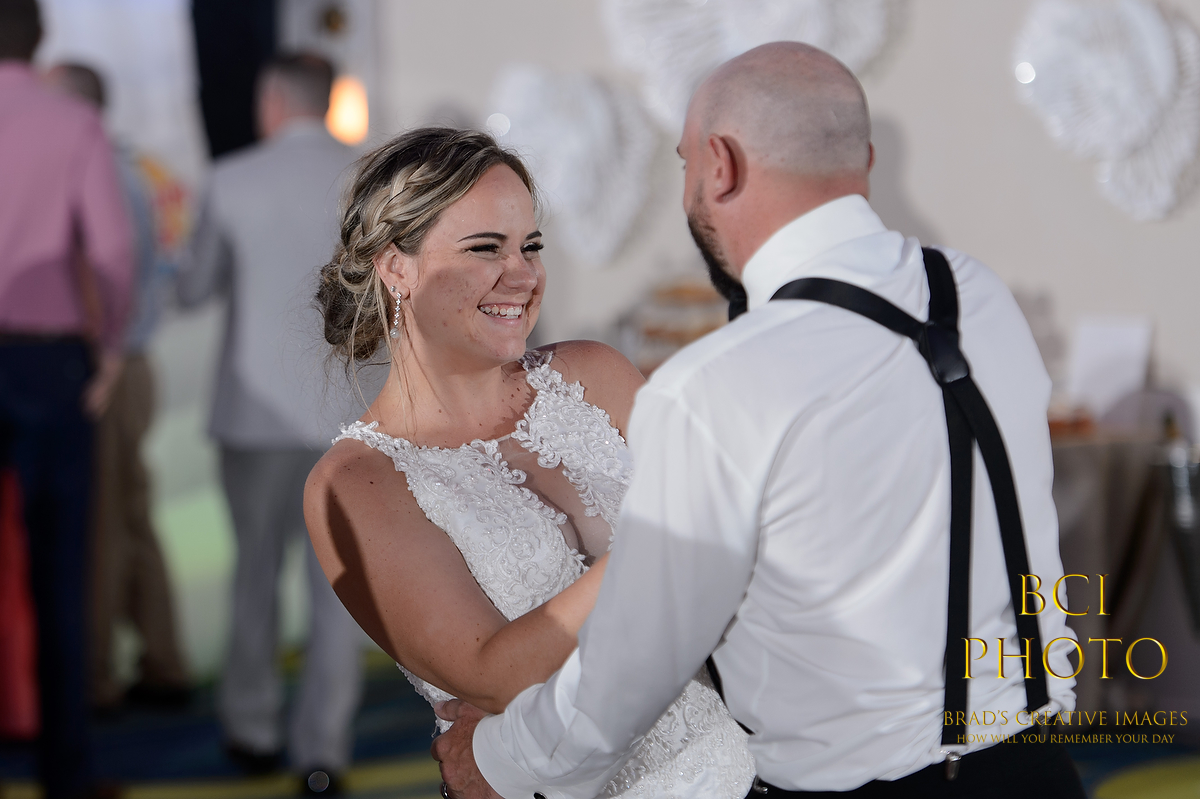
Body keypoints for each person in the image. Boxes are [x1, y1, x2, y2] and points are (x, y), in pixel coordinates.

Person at [432, 42, 1087, 799]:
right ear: (864, 159)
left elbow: (635, 664)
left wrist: (501, 758)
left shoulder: (715, 386)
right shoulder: (978, 295)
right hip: (1041, 771)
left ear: (721, 165)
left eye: (686, 164)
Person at [303, 127, 757, 798]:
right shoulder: (355, 482)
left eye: (531, 246)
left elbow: (744, 559)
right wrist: (682, 539)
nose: (522, 274)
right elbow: (496, 674)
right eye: (485, 248)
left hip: (750, 766)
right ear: (396, 267)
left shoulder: (595, 374)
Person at [177, 52, 366, 792]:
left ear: (274, 101)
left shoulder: (231, 179)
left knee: (253, 574)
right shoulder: (371, 179)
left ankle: (252, 729)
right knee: (339, 591)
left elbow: (193, 290)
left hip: (254, 419)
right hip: (345, 418)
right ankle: (324, 752)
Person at [0, 1, 133, 796]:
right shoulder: (72, 122)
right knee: (59, 573)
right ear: (41, 39)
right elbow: (112, 251)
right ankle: (67, 772)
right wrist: (108, 347)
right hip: (48, 365)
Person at [45, 61, 192, 714]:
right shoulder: (127, 170)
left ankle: (96, 678)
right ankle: (164, 661)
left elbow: (103, 284)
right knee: (129, 514)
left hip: (105, 365)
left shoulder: (97, 173)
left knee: (99, 523)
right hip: (129, 364)